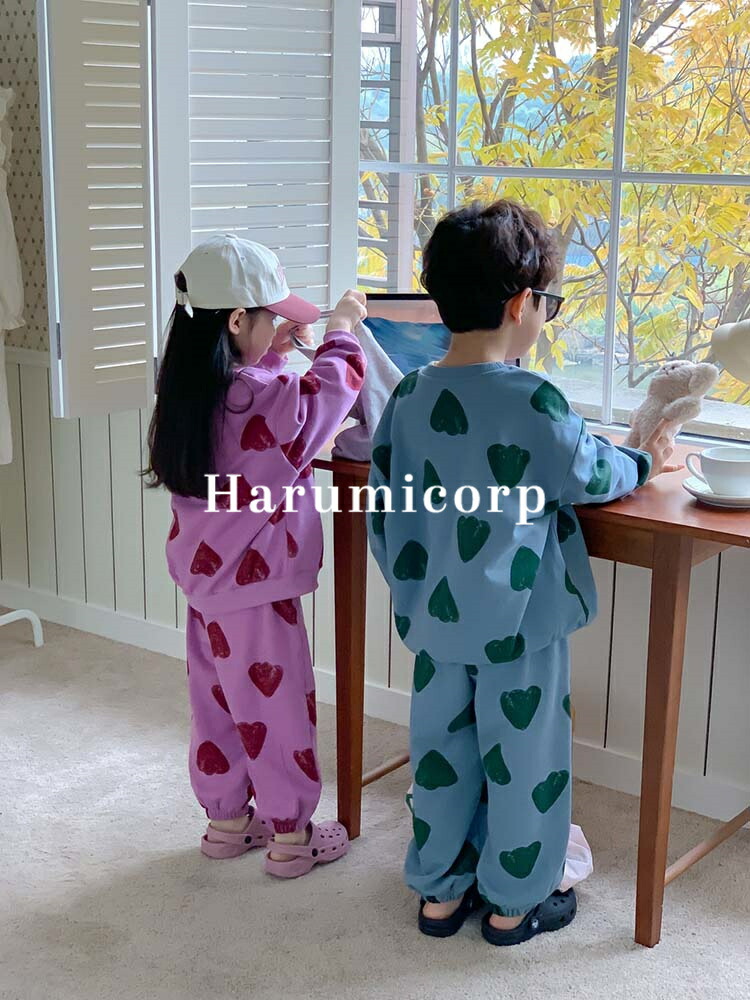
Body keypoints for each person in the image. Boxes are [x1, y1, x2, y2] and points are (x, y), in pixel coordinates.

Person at [366, 200, 678, 944]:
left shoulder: (408, 396)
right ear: (521, 304)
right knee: (524, 761)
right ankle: (514, 903)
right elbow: (590, 471)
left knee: (442, 756)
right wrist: (646, 460)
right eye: (550, 302)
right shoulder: (532, 398)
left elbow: (384, 509)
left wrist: (417, 594)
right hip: (519, 628)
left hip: (436, 624)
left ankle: (439, 895)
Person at [143, 233, 367, 877]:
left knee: (217, 702)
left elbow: (257, 401)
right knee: (276, 707)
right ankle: (292, 837)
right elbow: (329, 394)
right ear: (238, 321)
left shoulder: (192, 387)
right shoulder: (262, 398)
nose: (283, 328)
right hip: (259, 588)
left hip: (208, 585)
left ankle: (225, 821)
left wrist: (275, 348)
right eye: (274, 318)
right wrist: (341, 331)